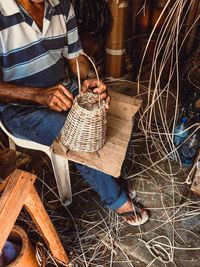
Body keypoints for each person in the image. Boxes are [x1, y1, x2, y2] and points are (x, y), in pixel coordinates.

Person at [0, 0, 148, 226]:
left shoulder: (61, 6)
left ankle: (109, 165)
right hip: (19, 109)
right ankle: (116, 199)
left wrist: (87, 80)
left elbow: (75, 59)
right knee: (77, 132)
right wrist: (38, 96)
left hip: (63, 88)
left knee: (119, 109)